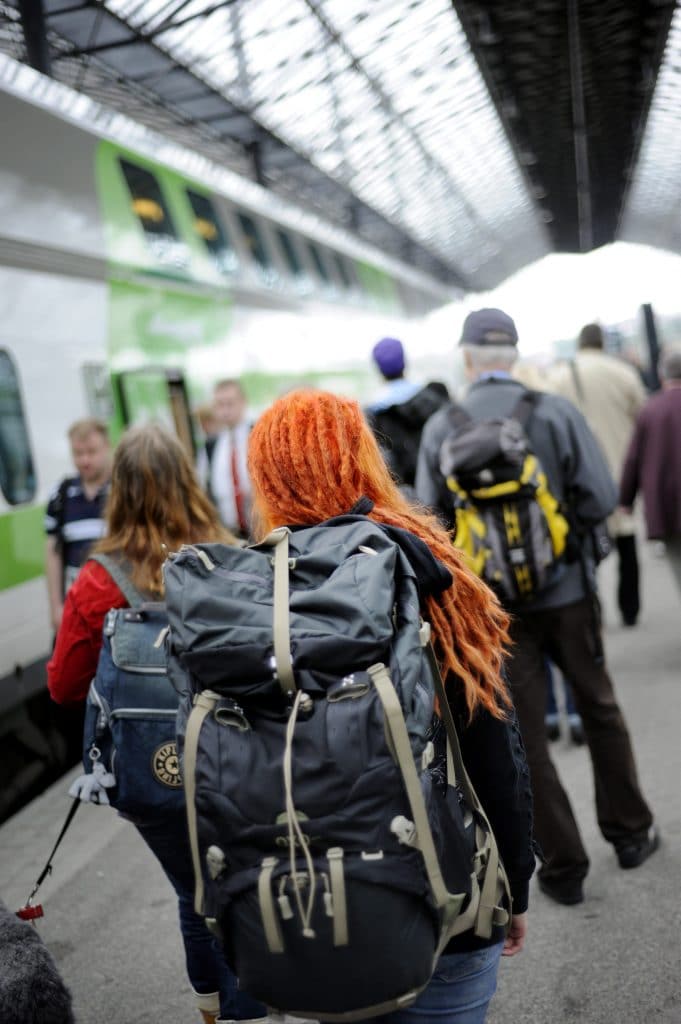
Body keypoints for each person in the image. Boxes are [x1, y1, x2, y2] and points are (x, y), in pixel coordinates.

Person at [247, 388, 534, 1024]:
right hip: (446, 899)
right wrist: (514, 880)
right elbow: (490, 745)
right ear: (363, 458)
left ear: (265, 480)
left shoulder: (249, 597)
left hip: (315, 915)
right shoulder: (422, 561)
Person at [416, 308, 658, 907]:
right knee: (598, 705)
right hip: (569, 593)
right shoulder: (554, 412)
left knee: (525, 736)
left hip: (495, 613)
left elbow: (430, 527)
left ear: (468, 358)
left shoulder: (442, 427)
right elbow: (600, 495)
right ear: (516, 354)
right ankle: (630, 834)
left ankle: (563, 867)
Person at [47, 425, 265, 1024]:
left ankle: (217, 1009)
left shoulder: (98, 578)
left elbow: (63, 686)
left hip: (150, 773)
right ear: (188, 480)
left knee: (194, 892)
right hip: (233, 756)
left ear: (119, 491)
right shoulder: (229, 555)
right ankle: (249, 1006)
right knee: (238, 881)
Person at [550, 323, 648, 626]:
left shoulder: (559, 377)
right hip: (622, 468)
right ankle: (629, 609)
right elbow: (642, 417)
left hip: (582, 475)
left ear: (579, 343)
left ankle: (596, 611)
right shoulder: (623, 373)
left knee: (589, 548)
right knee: (627, 540)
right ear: (602, 342)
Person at [620, 346, 681, 598]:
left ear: (662, 375)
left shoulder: (650, 410)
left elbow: (633, 459)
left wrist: (626, 500)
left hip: (668, 506)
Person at [44, 417, 112, 634]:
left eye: (92, 452)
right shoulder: (60, 495)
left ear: (107, 447)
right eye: (78, 453)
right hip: (77, 609)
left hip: (118, 608)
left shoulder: (124, 490)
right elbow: (53, 553)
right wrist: (56, 606)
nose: (85, 460)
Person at [365, 337, 449, 492]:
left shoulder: (374, 415)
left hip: (405, 497)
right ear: (405, 361)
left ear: (378, 369)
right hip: (442, 489)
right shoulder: (434, 399)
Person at [197, 379, 253, 539]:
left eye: (230, 403)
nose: (225, 411)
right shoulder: (211, 445)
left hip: (260, 531)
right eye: (220, 405)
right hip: (229, 534)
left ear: (243, 402)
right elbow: (203, 485)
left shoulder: (257, 435)